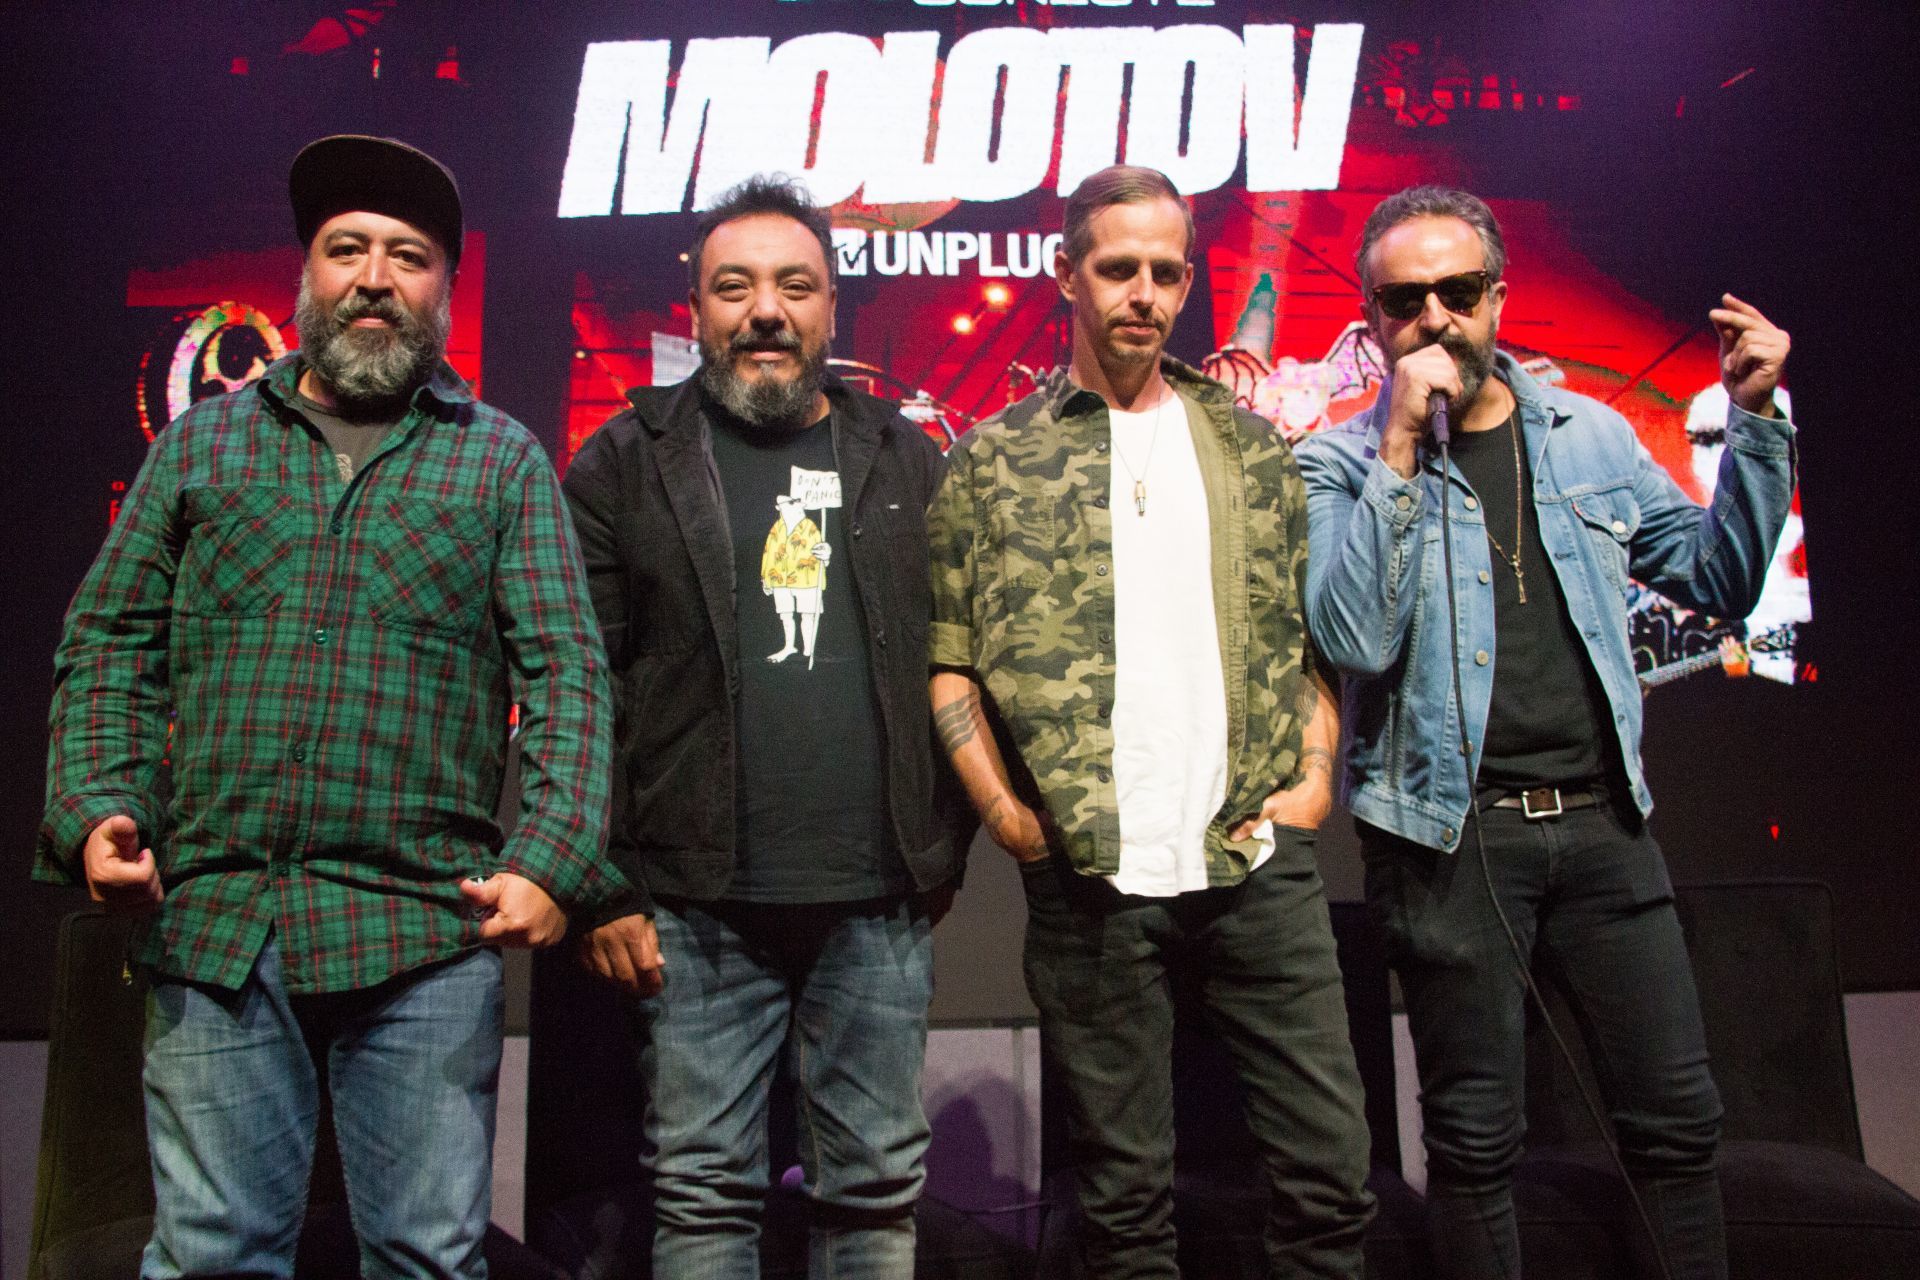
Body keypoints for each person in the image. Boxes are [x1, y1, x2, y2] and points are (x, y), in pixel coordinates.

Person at [35, 134, 621, 1278]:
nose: (374, 277)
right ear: (307, 274)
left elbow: (568, 674)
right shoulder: (201, 448)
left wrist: (552, 856)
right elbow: (107, 642)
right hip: (220, 921)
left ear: (444, 288)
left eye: (408, 256)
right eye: (347, 249)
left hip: (423, 930)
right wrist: (97, 803)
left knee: (424, 1257)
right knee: (212, 1256)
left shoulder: (500, 463)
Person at [1296, 186, 1793, 1279]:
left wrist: (1754, 422)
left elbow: (1718, 578)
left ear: (1498, 298)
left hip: (1607, 828)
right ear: (1373, 318)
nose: (1434, 317)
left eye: (1457, 290)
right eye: (1404, 299)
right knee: (1475, 1145)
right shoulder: (1336, 464)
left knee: (1677, 1125)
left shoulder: (1591, 436)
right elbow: (1354, 637)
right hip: (1449, 839)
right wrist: (1398, 446)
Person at [927, 164, 1375, 1278]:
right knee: (1124, 1211)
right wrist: (1008, 818)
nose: (1144, 294)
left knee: (1330, 1181)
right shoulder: (996, 458)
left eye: (1167, 272)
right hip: (1090, 873)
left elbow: (1305, 637)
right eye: (1118, 267)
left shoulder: (1250, 447)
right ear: (1065, 272)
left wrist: (1317, 773)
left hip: (1254, 861)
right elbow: (949, 661)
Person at [561, 173, 963, 1279]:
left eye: (795, 285)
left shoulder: (906, 455)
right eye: (734, 287)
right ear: (694, 305)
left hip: (876, 897)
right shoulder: (623, 460)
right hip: (692, 907)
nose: (766, 312)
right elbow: (577, 686)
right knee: (701, 1193)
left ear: (833, 304)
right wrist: (598, 882)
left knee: (874, 1193)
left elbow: (958, 659)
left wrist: (940, 845)